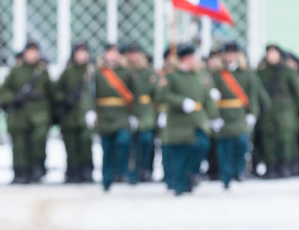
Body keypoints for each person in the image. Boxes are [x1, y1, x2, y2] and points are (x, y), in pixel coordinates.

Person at [156, 44, 219, 196]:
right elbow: (162, 96)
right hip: (178, 121)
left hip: (197, 120)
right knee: (179, 154)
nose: (194, 61)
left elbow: (207, 99)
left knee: (202, 145)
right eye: (191, 58)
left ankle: (192, 174)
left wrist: (214, 117)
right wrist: (181, 101)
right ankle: (180, 185)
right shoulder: (172, 77)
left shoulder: (200, 76)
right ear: (184, 59)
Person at [0, 40, 51, 184]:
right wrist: (14, 99)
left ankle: (36, 171)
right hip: (20, 116)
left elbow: (51, 94)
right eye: (29, 52)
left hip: (39, 116)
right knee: (19, 146)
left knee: (38, 143)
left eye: (35, 52)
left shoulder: (42, 72)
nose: (32, 55)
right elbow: (3, 91)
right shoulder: (16, 71)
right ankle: (20, 172)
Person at [211, 43, 262, 188]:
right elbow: (210, 97)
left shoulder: (246, 74)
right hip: (223, 113)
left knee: (241, 143)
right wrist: (213, 116)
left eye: (233, 53)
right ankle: (226, 177)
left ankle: (239, 171)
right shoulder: (217, 74)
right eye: (227, 53)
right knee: (224, 147)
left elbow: (252, 95)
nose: (230, 56)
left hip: (240, 114)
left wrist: (252, 113)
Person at [88, 44, 134, 190]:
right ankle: (106, 179)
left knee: (123, 141)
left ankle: (122, 170)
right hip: (104, 114)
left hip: (121, 113)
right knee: (106, 149)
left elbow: (134, 94)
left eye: (115, 53)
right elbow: (90, 94)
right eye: (110, 53)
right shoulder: (97, 72)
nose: (112, 56)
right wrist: (90, 110)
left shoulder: (126, 72)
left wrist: (134, 115)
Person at [257, 44, 299, 178]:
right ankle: (271, 167)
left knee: (285, 139)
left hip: (285, 112)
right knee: (268, 140)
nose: (271, 56)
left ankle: (285, 166)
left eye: (274, 53)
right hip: (268, 111)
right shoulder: (261, 72)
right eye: (269, 53)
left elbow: (298, 93)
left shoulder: (287, 72)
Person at [55, 42, 95, 183]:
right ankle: (72, 172)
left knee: (86, 144)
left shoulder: (92, 72)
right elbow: (57, 91)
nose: (82, 55)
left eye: (84, 52)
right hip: (70, 116)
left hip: (85, 116)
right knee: (71, 146)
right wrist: (65, 100)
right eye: (79, 52)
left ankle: (87, 172)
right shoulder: (68, 72)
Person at [125, 43, 157, 182]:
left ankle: (145, 169)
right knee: (130, 143)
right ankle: (131, 172)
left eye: (136, 53)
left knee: (146, 140)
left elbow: (155, 92)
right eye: (131, 54)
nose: (134, 57)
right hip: (128, 110)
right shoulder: (124, 72)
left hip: (145, 110)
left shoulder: (148, 72)